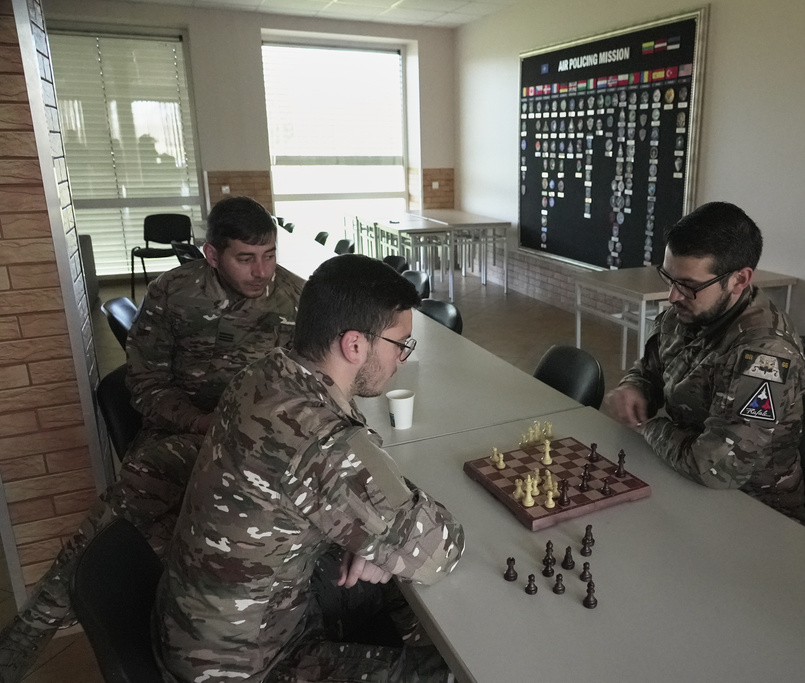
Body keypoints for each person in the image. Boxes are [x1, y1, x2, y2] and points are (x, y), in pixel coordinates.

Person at [0, 196, 304, 682]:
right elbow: (144, 383)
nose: (261, 271)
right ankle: (34, 627)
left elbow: (307, 385)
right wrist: (200, 423)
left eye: (269, 254)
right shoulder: (174, 293)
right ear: (212, 255)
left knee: (178, 543)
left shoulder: (294, 296)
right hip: (181, 435)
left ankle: (187, 648)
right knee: (119, 523)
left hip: (253, 449)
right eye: (245, 258)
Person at [153, 254, 465, 682]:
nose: (403, 359)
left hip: (203, 626)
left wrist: (374, 534)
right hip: (249, 664)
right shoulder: (321, 440)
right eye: (400, 344)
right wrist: (383, 532)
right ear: (355, 345)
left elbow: (352, 492)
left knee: (392, 583)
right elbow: (438, 550)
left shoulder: (266, 372)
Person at [602, 202, 805, 522]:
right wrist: (635, 387)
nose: (673, 295)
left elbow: (714, 468)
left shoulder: (766, 355)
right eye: (669, 278)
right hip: (682, 479)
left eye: (689, 285)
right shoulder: (688, 310)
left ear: (740, 280)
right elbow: (651, 369)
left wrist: (646, 426)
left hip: (754, 512)